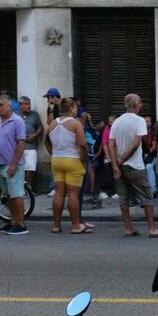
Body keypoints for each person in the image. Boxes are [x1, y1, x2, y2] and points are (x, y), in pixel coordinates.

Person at [108, 94, 158, 238]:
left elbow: (110, 144)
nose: (141, 104)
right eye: (140, 102)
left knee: (124, 198)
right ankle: (152, 228)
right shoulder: (139, 121)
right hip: (134, 165)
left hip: (119, 166)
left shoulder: (117, 122)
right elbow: (136, 143)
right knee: (146, 196)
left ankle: (128, 228)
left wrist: (115, 164)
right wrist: (121, 159)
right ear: (135, 105)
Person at [47, 97, 91, 234]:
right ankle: (75, 225)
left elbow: (46, 140)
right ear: (72, 108)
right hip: (72, 159)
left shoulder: (53, 123)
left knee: (59, 193)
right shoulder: (75, 123)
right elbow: (82, 144)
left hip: (57, 159)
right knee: (73, 194)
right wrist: (83, 159)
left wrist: (52, 153)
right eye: (75, 107)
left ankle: (56, 225)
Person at [0, 95, 30, 236]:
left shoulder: (17, 121)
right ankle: (13, 221)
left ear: (9, 106)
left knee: (16, 195)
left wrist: (14, 163)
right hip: (0, 163)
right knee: (8, 195)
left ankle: (21, 224)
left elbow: (21, 142)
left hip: (13, 164)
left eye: (1, 105)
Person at [19, 96, 44, 187]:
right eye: (26, 104)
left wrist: (34, 135)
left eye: (29, 103)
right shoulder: (15, 115)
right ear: (20, 105)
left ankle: (28, 187)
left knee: (31, 168)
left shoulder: (35, 115)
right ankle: (21, 188)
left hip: (31, 146)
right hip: (18, 147)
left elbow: (40, 127)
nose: (29, 106)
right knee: (20, 169)